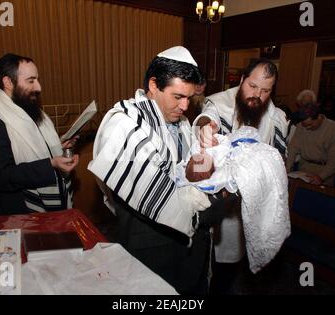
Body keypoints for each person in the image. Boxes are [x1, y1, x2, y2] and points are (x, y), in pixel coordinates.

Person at [88, 46, 230, 295]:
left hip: (190, 248)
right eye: (178, 97)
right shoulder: (125, 124)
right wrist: (215, 204)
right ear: (154, 85)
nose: (185, 106)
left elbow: (185, 172)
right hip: (152, 250)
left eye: (189, 97)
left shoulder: (181, 121)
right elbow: (156, 193)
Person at [193, 58, 288, 294]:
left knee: (229, 268)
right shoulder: (220, 103)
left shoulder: (276, 118)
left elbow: (278, 161)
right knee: (205, 264)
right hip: (216, 204)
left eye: (265, 90)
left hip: (248, 204)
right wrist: (205, 128)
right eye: (252, 86)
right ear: (243, 79)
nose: (257, 95)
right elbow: (206, 119)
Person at [0, 53, 79, 217]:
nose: (39, 87)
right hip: (18, 212)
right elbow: (1, 176)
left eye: (37, 80)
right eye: (31, 81)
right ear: (8, 82)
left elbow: (32, 147)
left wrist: (58, 148)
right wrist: (51, 164)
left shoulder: (27, 109)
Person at [286, 102, 335, 186]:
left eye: (310, 125)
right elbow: (293, 149)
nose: (307, 128)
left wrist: (321, 176)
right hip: (303, 168)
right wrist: (287, 168)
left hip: (324, 171)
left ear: (319, 117)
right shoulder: (301, 126)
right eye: (305, 125)